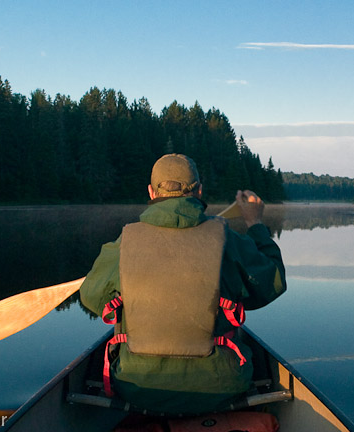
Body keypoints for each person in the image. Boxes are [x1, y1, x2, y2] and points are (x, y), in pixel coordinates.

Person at [79, 153, 286, 415]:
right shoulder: (228, 239)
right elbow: (273, 282)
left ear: (151, 193)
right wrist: (255, 224)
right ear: (199, 190)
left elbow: (91, 298)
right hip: (220, 384)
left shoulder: (124, 242)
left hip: (138, 386)